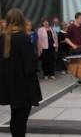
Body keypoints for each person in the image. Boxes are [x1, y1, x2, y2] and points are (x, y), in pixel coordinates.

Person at [0, 8, 42, 137]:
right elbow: (30, 66)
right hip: (23, 86)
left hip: (9, 85)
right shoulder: (23, 38)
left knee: (15, 116)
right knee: (21, 120)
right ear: (21, 21)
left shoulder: (2, 38)